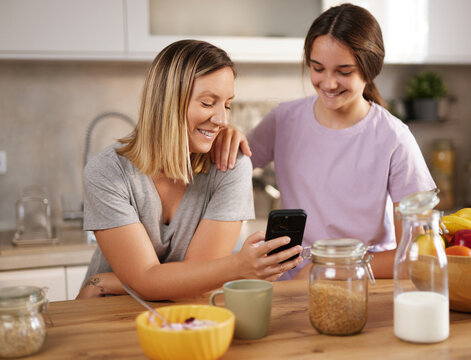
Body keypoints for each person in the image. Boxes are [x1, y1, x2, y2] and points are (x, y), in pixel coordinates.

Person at [211, 3, 435, 279]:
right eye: (318, 68)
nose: (328, 83)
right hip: (293, 283)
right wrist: (228, 137)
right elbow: (225, 167)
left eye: (344, 71)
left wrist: (328, 270)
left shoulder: (394, 137)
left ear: (371, 69)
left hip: (364, 283)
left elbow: (413, 252)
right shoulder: (284, 120)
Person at [77, 40, 303, 300]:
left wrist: (105, 282)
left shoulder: (229, 167)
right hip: (105, 314)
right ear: (167, 104)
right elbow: (146, 278)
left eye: (227, 104)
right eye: (208, 103)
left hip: (185, 313)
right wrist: (238, 266)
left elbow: (198, 282)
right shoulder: (107, 173)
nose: (222, 119)